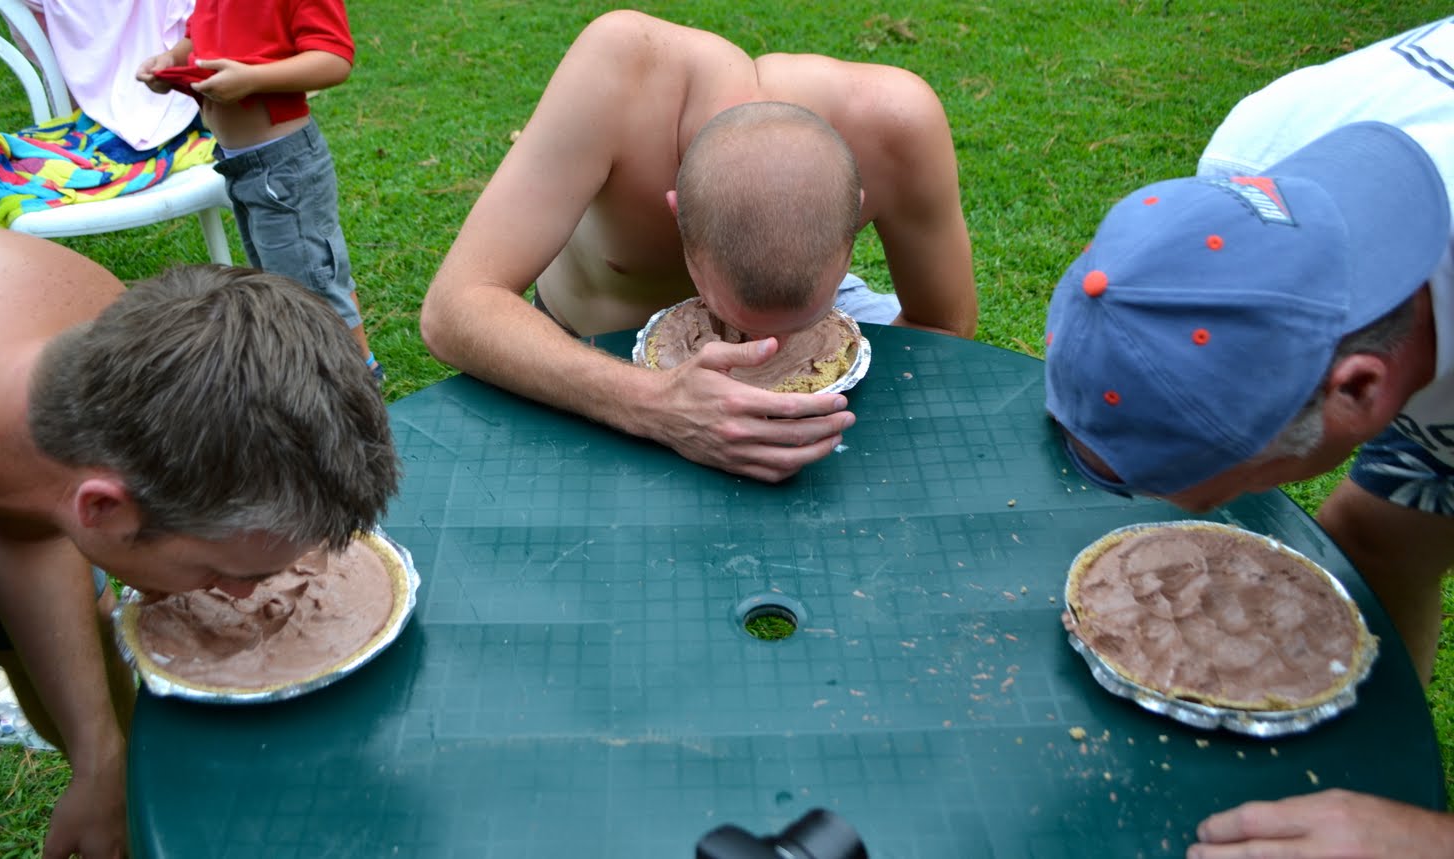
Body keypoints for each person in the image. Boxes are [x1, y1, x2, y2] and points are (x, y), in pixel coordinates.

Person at [0, 221, 399, 857]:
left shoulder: (106, 336)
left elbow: (29, 523)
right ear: (103, 507)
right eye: (223, 573)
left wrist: (101, 761)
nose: (244, 596)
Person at [1042, 98, 1454, 859]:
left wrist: (1424, 837)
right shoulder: (1251, 167)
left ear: (1360, 391)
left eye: (1223, 487)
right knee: (1375, 543)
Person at [419, 11, 977, 483]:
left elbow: (942, 328)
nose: (767, 352)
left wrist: (838, 413)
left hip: (840, 315)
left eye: (789, 329)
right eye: (739, 322)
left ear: (854, 214)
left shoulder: (897, 122)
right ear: (677, 221)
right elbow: (454, 308)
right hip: (596, 353)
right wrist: (654, 404)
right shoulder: (618, 72)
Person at [135, 0, 382, 381]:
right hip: (241, 166)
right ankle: (324, 375)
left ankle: (356, 383)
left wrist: (253, 78)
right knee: (286, 282)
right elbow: (197, 39)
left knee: (310, 289)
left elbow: (334, 59)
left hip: (282, 169)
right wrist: (170, 62)